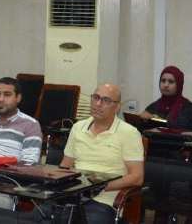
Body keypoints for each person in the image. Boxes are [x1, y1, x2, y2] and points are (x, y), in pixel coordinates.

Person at [54, 83, 144, 224]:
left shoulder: (129, 133)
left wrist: (98, 187)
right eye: (96, 97)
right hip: (73, 195)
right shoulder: (78, 128)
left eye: (106, 100)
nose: (98, 104)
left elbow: (137, 177)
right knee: (41, 214)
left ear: (117, 107)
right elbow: (65, 166)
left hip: (103, 200)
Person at [140, 65, 192, 130]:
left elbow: (182, 128)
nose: (166, 85)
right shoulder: (154, 106)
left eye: (171, 82)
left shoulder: (188, 107)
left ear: (179, 85)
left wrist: (154, 118)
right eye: (163, 81)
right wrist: (142, 119)